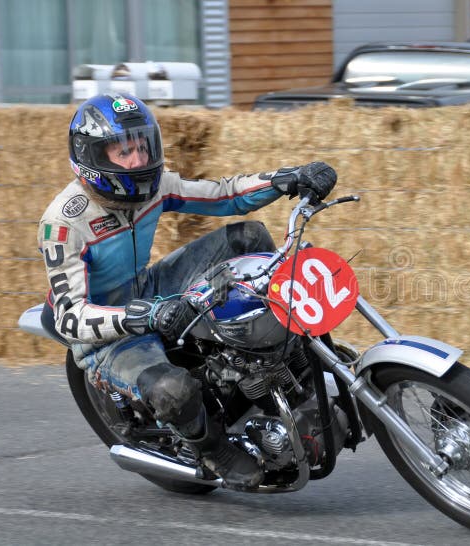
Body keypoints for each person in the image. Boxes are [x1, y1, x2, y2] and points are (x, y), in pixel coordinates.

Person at [38, 93, 336, 489]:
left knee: (249, 237)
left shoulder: (156, 185)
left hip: (147, 288)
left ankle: (288, 356)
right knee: (173, 390)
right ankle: (214, 449)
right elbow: (69, 317)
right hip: (104, 327)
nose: (137, 161)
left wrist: (285, 179)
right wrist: (144, 315)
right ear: (92, 156)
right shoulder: (62, 223)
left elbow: (224, 195)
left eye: (142, 147)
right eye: (123, 151)